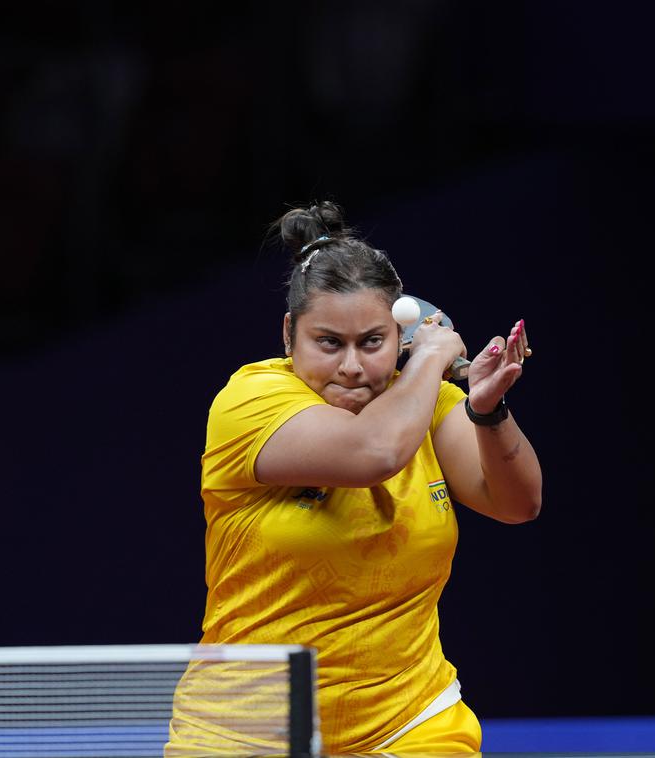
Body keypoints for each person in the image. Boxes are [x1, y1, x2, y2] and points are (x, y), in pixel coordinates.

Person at [168, 200, 542, 755]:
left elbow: (517, 503)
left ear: (399, 335)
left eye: (372, 342)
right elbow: (376, 451)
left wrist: (486, 411)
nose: (352, 366)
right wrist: (430, 361)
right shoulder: (250, 400)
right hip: (247, 728)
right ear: (290, 332)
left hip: (410, 720)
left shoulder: (425, 402)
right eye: (329, 343)